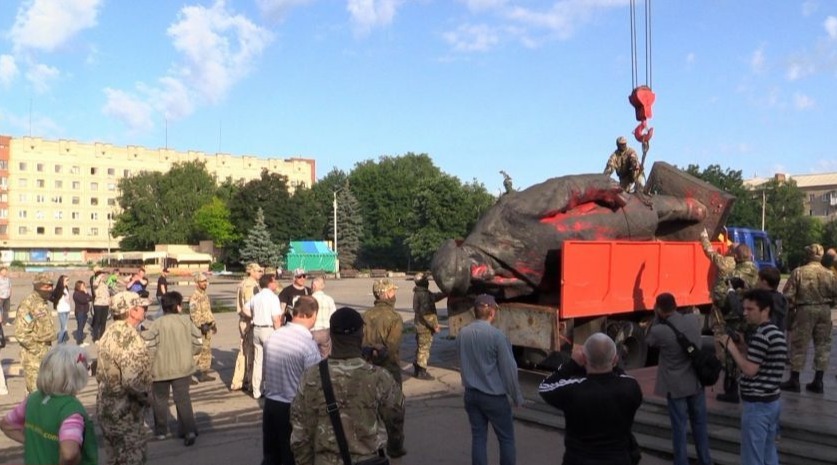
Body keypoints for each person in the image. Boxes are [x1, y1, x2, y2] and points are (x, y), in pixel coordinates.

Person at [290, 307, 405, 465]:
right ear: (361, 335)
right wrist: (395, 450)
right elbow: (395, 418)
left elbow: (300, 431)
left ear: (331, 335)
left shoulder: (311, 377)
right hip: (369, 460)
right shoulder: (379, 377)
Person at [539, 333, 643, 465]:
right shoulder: (630, 387)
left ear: (584, 358)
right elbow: (623, 376)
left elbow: (545, 387)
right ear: (615, 359)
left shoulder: (574, 391)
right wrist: (613, 363)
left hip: (578, 459)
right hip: (618, 459)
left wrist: (571, 364)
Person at [715, 289, 787, 465]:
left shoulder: (761, 335)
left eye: (750, 309)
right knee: (768, 452)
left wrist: (730, 346)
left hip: (758, 406)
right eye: (744, 308)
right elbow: (763, 360)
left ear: (765, 310)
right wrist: (744, 347)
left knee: (752, 457)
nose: (745, 313)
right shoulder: (774, 332)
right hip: (771, 401)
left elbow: (750, 369)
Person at [0, 345, 98, 465]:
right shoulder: (70, 409)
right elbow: (69, 454)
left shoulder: (33, 399)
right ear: (77, 375)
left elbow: (6, 424)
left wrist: (34, 443)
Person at [646, 293, 712, 465]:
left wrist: (655, 317)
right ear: (675, 305)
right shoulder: (692, 320)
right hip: (696, 382)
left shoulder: (659, 330)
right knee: (700, 425)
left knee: (679, 428)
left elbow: (649, 341)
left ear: (659, 309)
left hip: (676, 387)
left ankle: (681, 462)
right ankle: (705, 460)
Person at [459, 294, 525, 465]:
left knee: (479, 438)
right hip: (494, 397)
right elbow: (509, 370)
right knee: (506, 439)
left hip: (471, 395)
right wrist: (517, 397)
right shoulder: (497, 337)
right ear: (492, 313)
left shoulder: (462, 333)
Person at [96, 291, 154, 465]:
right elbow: (132, 381)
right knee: (132, 458)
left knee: (114, 459)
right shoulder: (129, 337)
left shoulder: (110, 331)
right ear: (132, 312)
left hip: (106, 408)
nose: (144, 310)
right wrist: (148, 397)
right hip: (125, 413)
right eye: (141, 307)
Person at [262, 295, 321, 465]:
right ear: (312, 315)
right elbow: (314, 383)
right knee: (292, 457)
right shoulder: (307, 345)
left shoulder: (273, 337)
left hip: (271, 405)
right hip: (293, 409)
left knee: (271, 457)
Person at [142, 291, 202, 447]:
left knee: (160, 400)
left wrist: (149, 365)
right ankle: (188, 430)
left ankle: (161, 431)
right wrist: (191, 353)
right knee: (183, 399)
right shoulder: (186, 322)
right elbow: (198, 342)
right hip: (183, 368)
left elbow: (149, 347)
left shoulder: (156, 324)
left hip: (159, 369)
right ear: (178, 306)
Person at [780, 243, 837, 393]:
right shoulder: (829, 274)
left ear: (808, 255)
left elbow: (788, 294)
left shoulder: (799, 272)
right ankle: (818, 381)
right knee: (823, 345)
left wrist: (792, 308)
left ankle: (795, 379)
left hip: (805, 310)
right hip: (824, 310)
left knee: (799, 344)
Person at [15, 272, 57, 393]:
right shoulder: (28, 304)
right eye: (46, 286)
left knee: (45, 393)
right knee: (36, 395)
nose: (50, 289)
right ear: (38, 286)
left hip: (45, 354)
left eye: (51, 286)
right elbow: (21, 333)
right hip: (33, 359)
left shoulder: (42, 303)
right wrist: (38, 351)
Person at [248, 272, 283, 399]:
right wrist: (279, 333)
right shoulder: (273, 298)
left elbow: (246, 309)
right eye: (274, 281)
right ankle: (270, 388)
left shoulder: (256, 297)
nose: (276, 283)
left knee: (258, 361)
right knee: (271, 361)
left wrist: (253, 318)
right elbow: (276, 318)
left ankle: (256, 390)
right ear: (269, 283)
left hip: (257, 329)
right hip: (268, 330)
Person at [231, 262, 262, 392]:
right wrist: (256, 318)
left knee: (244, 351)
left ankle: (238, 380)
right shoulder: (250, 285)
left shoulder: (244, 283)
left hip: (244, 320)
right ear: (251, 271)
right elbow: (249, 306)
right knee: (250, 353)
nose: (261, 273)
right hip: (248, 321)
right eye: (258, 270)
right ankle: (248, 382)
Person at [412, 271, 445, 380]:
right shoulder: (424, 294)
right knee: (424, 349)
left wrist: (444, 294)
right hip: (424, 326)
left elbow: (434, 297)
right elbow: (427, 313)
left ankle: (417, 368)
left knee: (420, 347)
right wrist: (435, 325)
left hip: (419, 324)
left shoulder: (420, 292)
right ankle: (422, 371)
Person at [189, 272, 216, 383]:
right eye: (202, 281)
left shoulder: (204, 295)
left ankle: (204, 373)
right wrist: (201, 325)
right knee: (196, 352)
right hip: (199, 328)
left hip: (207, 327)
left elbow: (207, 311)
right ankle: (188, 375)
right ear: (197, 283)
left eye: (206, 281)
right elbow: (193, 313)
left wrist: (213, 323)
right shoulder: (195, 297)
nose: (205, 283)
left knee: (206, 351)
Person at [310, 276, 337, 358]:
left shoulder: (309, 300)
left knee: (312, 356)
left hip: (312, 331)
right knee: (325, 356)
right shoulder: (329, 299)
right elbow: (333, 317)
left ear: (313, 286)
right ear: (323, 286)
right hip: (326, 331)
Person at [756, 266, 788, 333]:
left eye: (758, 279)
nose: (757, 282)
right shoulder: (781, 299)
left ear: (764, 282)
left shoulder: (763, 299)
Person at [91, 266, 111, 342]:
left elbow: (107, 293)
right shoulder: (95, 282)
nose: (103, 277)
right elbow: (95, 284)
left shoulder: (104, 284)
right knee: (97, 321)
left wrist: (109, 300)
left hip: (105, 304)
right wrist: (99, 277)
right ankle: (95, 338)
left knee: (103, 322)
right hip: (98, 304)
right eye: (102, 276)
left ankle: (102, 336)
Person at [52, 275, 72, 344]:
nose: (68, 282)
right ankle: (60, 342)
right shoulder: (58, 289)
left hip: (67, 309)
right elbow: (51, 296)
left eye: (68, 280)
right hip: (61, 310)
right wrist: (56, 303)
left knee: (64, 327)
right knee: (64, 328)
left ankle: (63, 342)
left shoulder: (66, 288)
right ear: (62, 281)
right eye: (66, 280)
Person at [73, 280, 92, 346]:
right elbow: (84, 300)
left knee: (82, 326)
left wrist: (87, 294)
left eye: (84, 285)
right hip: (80, 312)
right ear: (79, 286)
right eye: (83, 286)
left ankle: (81, 340)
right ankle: (79, 342)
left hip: (85, 312)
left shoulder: (84, 292)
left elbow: (91, 298)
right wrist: (87, 297)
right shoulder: (76, 293)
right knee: (80, 327)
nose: (84, 287)